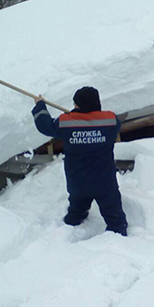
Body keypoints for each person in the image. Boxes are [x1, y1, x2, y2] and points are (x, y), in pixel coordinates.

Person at [31, 87, 128, 236]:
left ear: (78, 105)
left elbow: (45, 125)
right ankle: (119, 234)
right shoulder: (111, 120)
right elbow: (115, 123)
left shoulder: (66, 122)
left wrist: (40, 105)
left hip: (78, 180)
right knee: (114, 213)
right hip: (105, 181)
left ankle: (72, 226)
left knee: (77, 208)